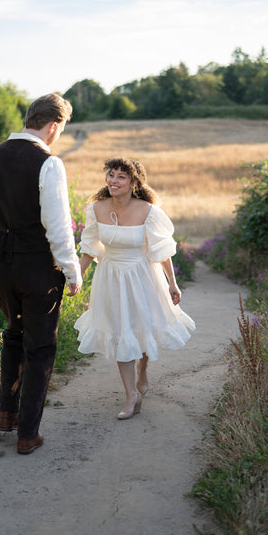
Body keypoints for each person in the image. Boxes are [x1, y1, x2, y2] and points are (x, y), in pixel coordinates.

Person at [0, 93, 82, 454]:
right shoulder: (48, 163)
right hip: (37, 265)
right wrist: (72, 271)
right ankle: (28, 434)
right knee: (41, 346)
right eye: (61, 129)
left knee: (14, 333)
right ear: (53, 125)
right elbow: (58, 227)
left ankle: (7, 414)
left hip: (0, 264)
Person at [74, 158, 195, 420]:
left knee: (143, 327)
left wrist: (172, 283)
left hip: (142, 275)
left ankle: (143, 369)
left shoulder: (148, 211)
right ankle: (131, 396)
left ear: (133, 184)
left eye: (121, 177)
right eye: (111, 175)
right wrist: (77, 276)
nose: (113, 180)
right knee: (122, 332)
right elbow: (90, 248)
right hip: (110, 277)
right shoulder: (96, 208)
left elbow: (161, 250)